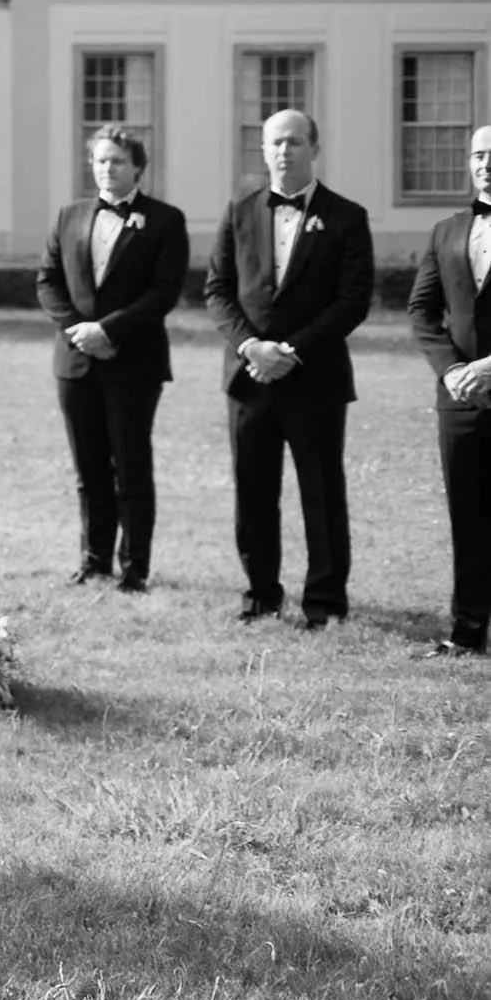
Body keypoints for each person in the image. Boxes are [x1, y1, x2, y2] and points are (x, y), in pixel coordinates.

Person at [204, 109, 374, 629]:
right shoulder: (239, 211)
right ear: (262, 150)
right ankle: (260, 595)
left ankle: (324, 601)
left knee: (321, 492)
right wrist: (252, 348)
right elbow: (217, 290)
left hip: (315, 379)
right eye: (276, 143)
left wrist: (291, 350)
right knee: (253, 491)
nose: (285, 151)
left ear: (314, 149)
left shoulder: (347, 216)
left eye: (295, 142)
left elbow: (352, 301)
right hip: (249, 380)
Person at [36, 124, 189, 593]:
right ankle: (94, 559)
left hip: (133, 361)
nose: (108, 168)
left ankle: (134, 566)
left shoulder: (165, 220)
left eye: (118, 161)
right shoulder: (69, 216)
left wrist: (109, 330)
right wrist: (77, 332)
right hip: (76, 362)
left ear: (138, 167)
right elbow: (48, 282)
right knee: (89, 469)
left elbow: (164, 292)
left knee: (131, 465)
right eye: (101, 160)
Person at [405, 123, 491, 662]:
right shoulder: (445, 231)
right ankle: (466, 631)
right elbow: (421, 310)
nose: (486, 162)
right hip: (458, 397)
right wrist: (452, 371)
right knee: (468, 513)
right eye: (479, 154)